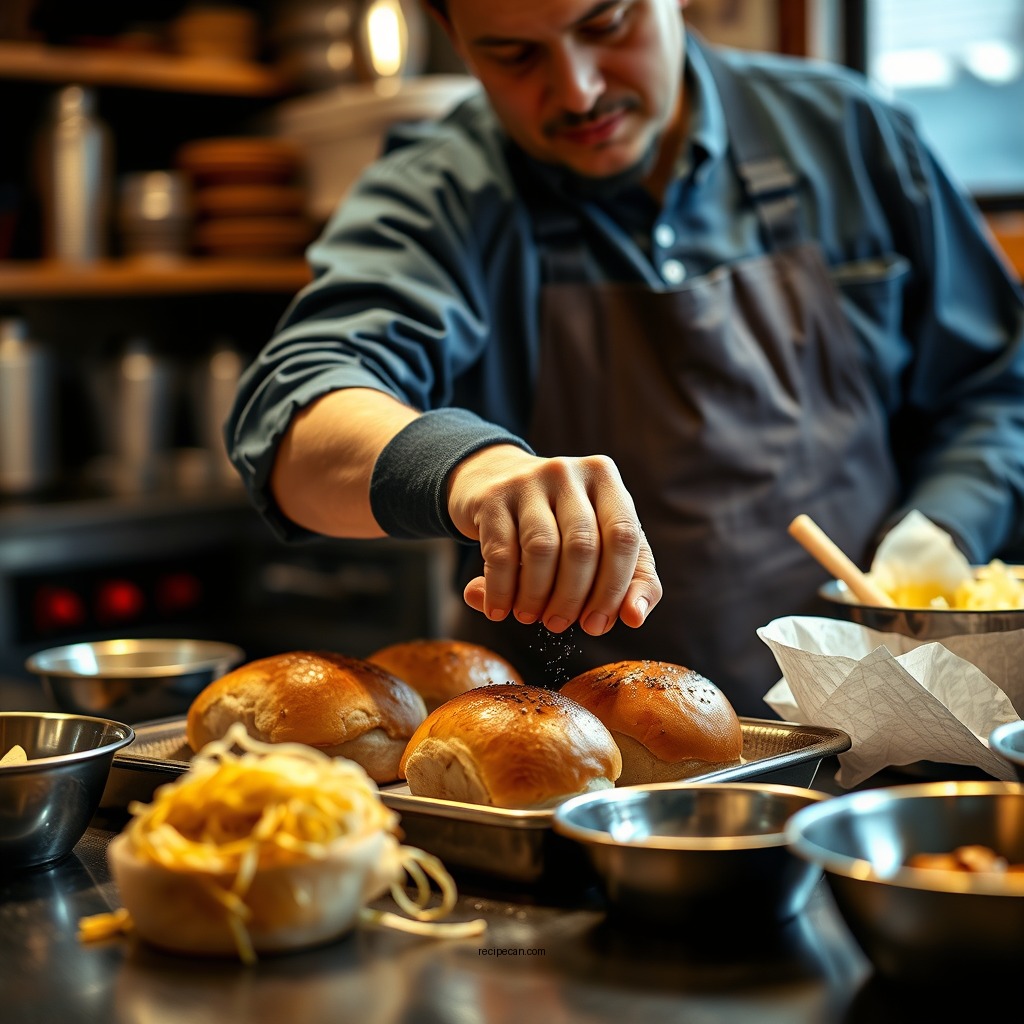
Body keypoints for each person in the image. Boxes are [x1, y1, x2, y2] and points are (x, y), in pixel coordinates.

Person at [226, 0, 1024, 717]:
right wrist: (472, 469)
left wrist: (936, 547)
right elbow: (294, 410)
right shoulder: (438, 197)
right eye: (513, 54)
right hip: (590, 781)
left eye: (606, 24)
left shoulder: (848, 135)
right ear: (451, 35)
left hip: (891, 730)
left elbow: (998, 389)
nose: (576, 92)